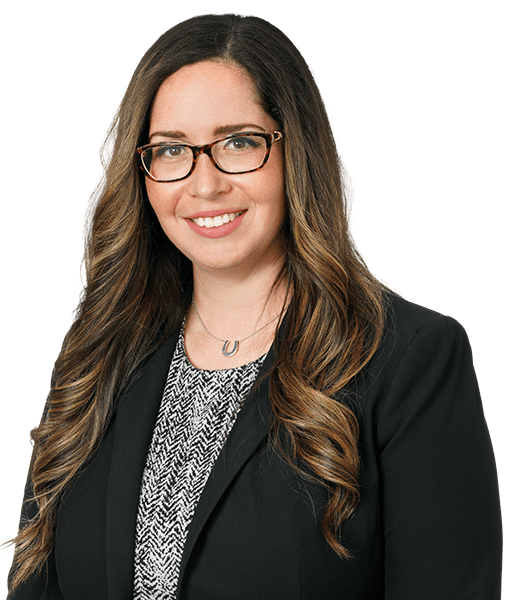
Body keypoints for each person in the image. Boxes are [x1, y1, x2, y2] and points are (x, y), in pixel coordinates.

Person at [6, 12, 502, 600]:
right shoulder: (100, 354)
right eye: (171, 150)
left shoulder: (408, 361)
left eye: (239, 142)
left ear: (296, 152)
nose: (204, 184)